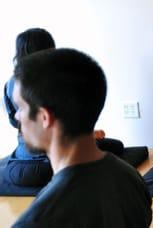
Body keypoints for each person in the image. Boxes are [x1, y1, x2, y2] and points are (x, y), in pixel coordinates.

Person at [10, 48, 152, 227]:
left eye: (21, 108)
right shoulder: (132, 178)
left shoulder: (36, 220)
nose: (16, 116)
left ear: (45, 117)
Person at [3, 28, 125, 187]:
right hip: (57, 159)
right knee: (114, 146)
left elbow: (14, 122)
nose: (20, 114)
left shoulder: (10, 84)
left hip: (25, 166)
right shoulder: (62, 78)